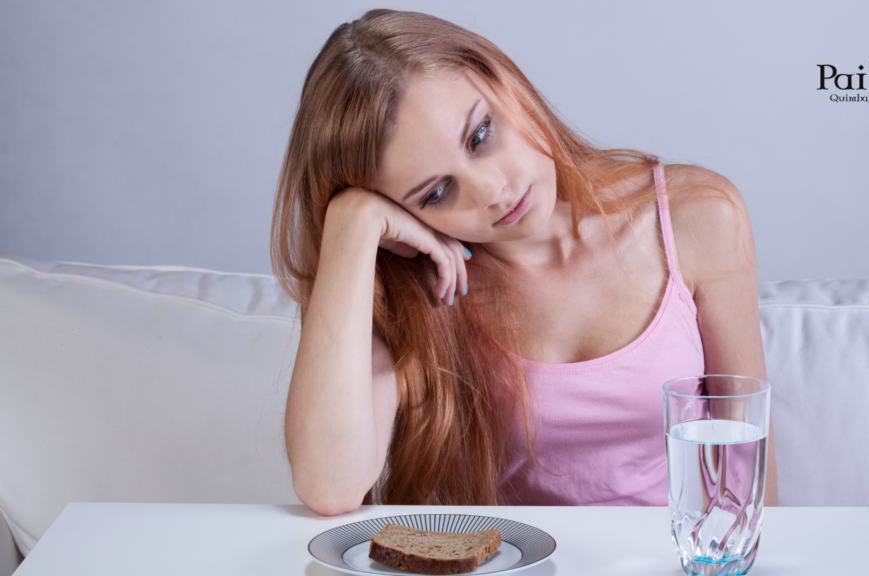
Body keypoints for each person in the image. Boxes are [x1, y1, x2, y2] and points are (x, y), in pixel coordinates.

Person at [271, 8, 777, 515]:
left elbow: (750, 462)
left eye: (480, 135)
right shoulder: (417, 292)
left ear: (504, 78)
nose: (493, 191)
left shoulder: (699, 214)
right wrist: (352, 221)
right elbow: (329, 486)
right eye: (438, 192)